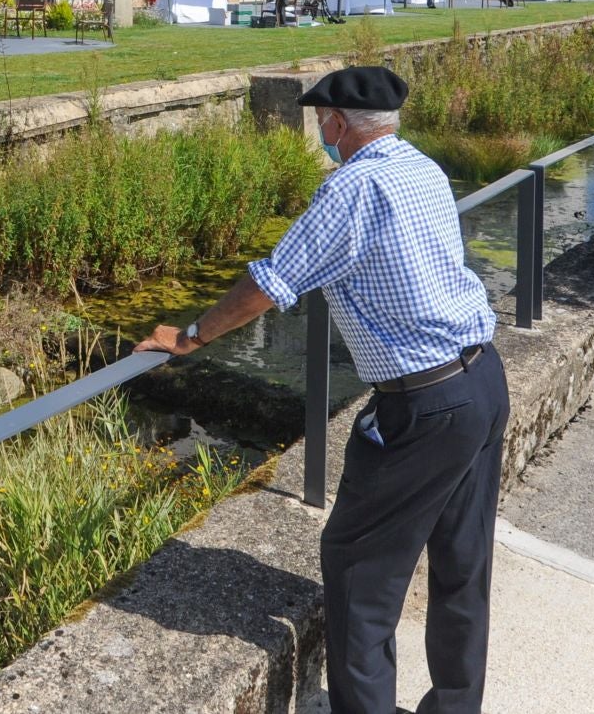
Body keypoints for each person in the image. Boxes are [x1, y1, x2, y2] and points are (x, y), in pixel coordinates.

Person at [137, 67, 506, 714]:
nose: (320, 133)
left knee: (359, 571)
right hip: (482, 378)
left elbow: (271, 283)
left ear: (337, 123)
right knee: (462, 563)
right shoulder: (422, 168)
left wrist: (190, 335)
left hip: (424, 403)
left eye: (320, 122)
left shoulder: (351, 189)